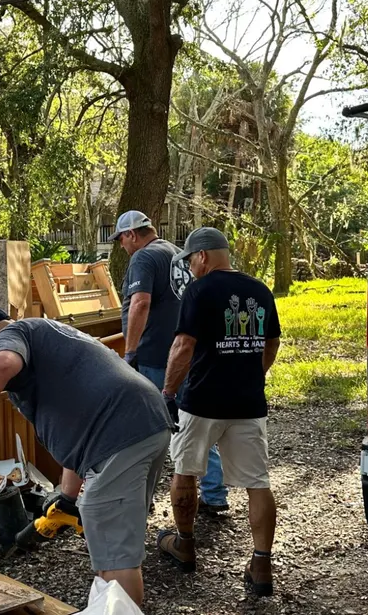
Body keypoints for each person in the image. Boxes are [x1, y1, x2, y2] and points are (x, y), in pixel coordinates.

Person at [0, 308, 171, 606]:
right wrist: (67, 495)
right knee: (109, 546)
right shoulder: (51, 341)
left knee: (116, 559)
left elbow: (1, 364)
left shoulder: (13, 334)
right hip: (143, 424)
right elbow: (77, 435)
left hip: (119, 435)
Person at [155, 227, 282, 597]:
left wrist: (168, 391)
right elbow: (272, 341)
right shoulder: (260, 290)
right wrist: (254, 374)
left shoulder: (199, 290)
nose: (191, 267)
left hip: (201, 401)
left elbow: (183, 345)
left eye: (191, 260)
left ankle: (185, 544)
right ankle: (261, 565)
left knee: (185, 470)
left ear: (204, 256)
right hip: (248, 403)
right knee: (257, 482)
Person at [111, 209, 230, 515]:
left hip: (154, 356)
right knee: (194, 419)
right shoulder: (179, 255)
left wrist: (130, 353)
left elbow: (140, 303)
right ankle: (214, 493)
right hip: (187, 351)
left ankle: (143, 497)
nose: (122, 247)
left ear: (131, 235)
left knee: (148, 428)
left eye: (121, 240)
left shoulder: (143, 258)